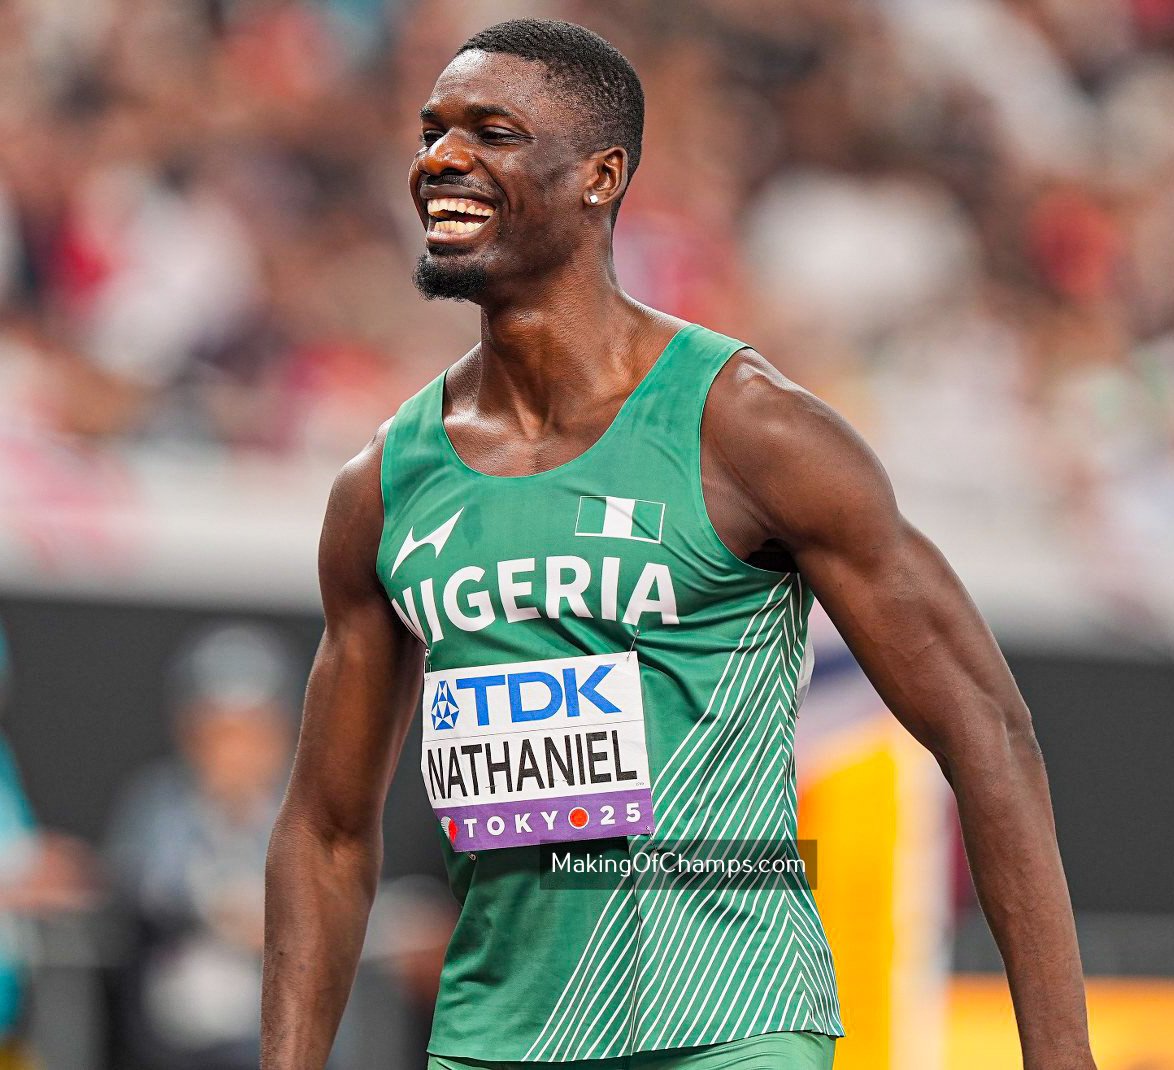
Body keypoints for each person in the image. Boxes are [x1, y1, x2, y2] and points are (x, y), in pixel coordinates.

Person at [262, 18, 1095, 1070]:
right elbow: (328, 830)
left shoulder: (749, 428)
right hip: (495, 1040)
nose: (441, 159)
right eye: (432, 131)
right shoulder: (385, 485)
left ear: (600, 175)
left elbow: (989, 732)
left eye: (492, 132)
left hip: (728, 1025)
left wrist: (1059, 1056)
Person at [107, 623, 298, 1070]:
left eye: (252, 732)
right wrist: (216, 908)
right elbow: (140, 883)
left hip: (278, 1022)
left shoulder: (302, 813)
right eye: (220, 732)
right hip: (178, 1032)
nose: (236, 749)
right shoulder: (160, 801)